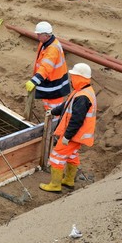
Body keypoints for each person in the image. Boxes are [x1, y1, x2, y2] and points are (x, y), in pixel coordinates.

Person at [40, 63, 97, 192]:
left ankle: (55, 185)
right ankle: (69, 180)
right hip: (77, 136)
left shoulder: (83, 96)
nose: (71, 79)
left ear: (79, 77)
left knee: (56, 156)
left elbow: (76, 120)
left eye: (73, 77)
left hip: (73, 135)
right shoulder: (81, 92)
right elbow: (67, 104)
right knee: (72, 156)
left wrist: (67, 136)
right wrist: (54, 111)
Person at [25, 21, 70, 118]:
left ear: (46, 35)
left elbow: (46, 67)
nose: (37, 36)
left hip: (55, 84)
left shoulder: (52, 49)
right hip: (49, 81)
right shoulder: (45, 43)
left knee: (55, 110)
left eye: (39, 34)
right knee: (48, 106)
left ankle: (55, 127)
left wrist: (34, 80)